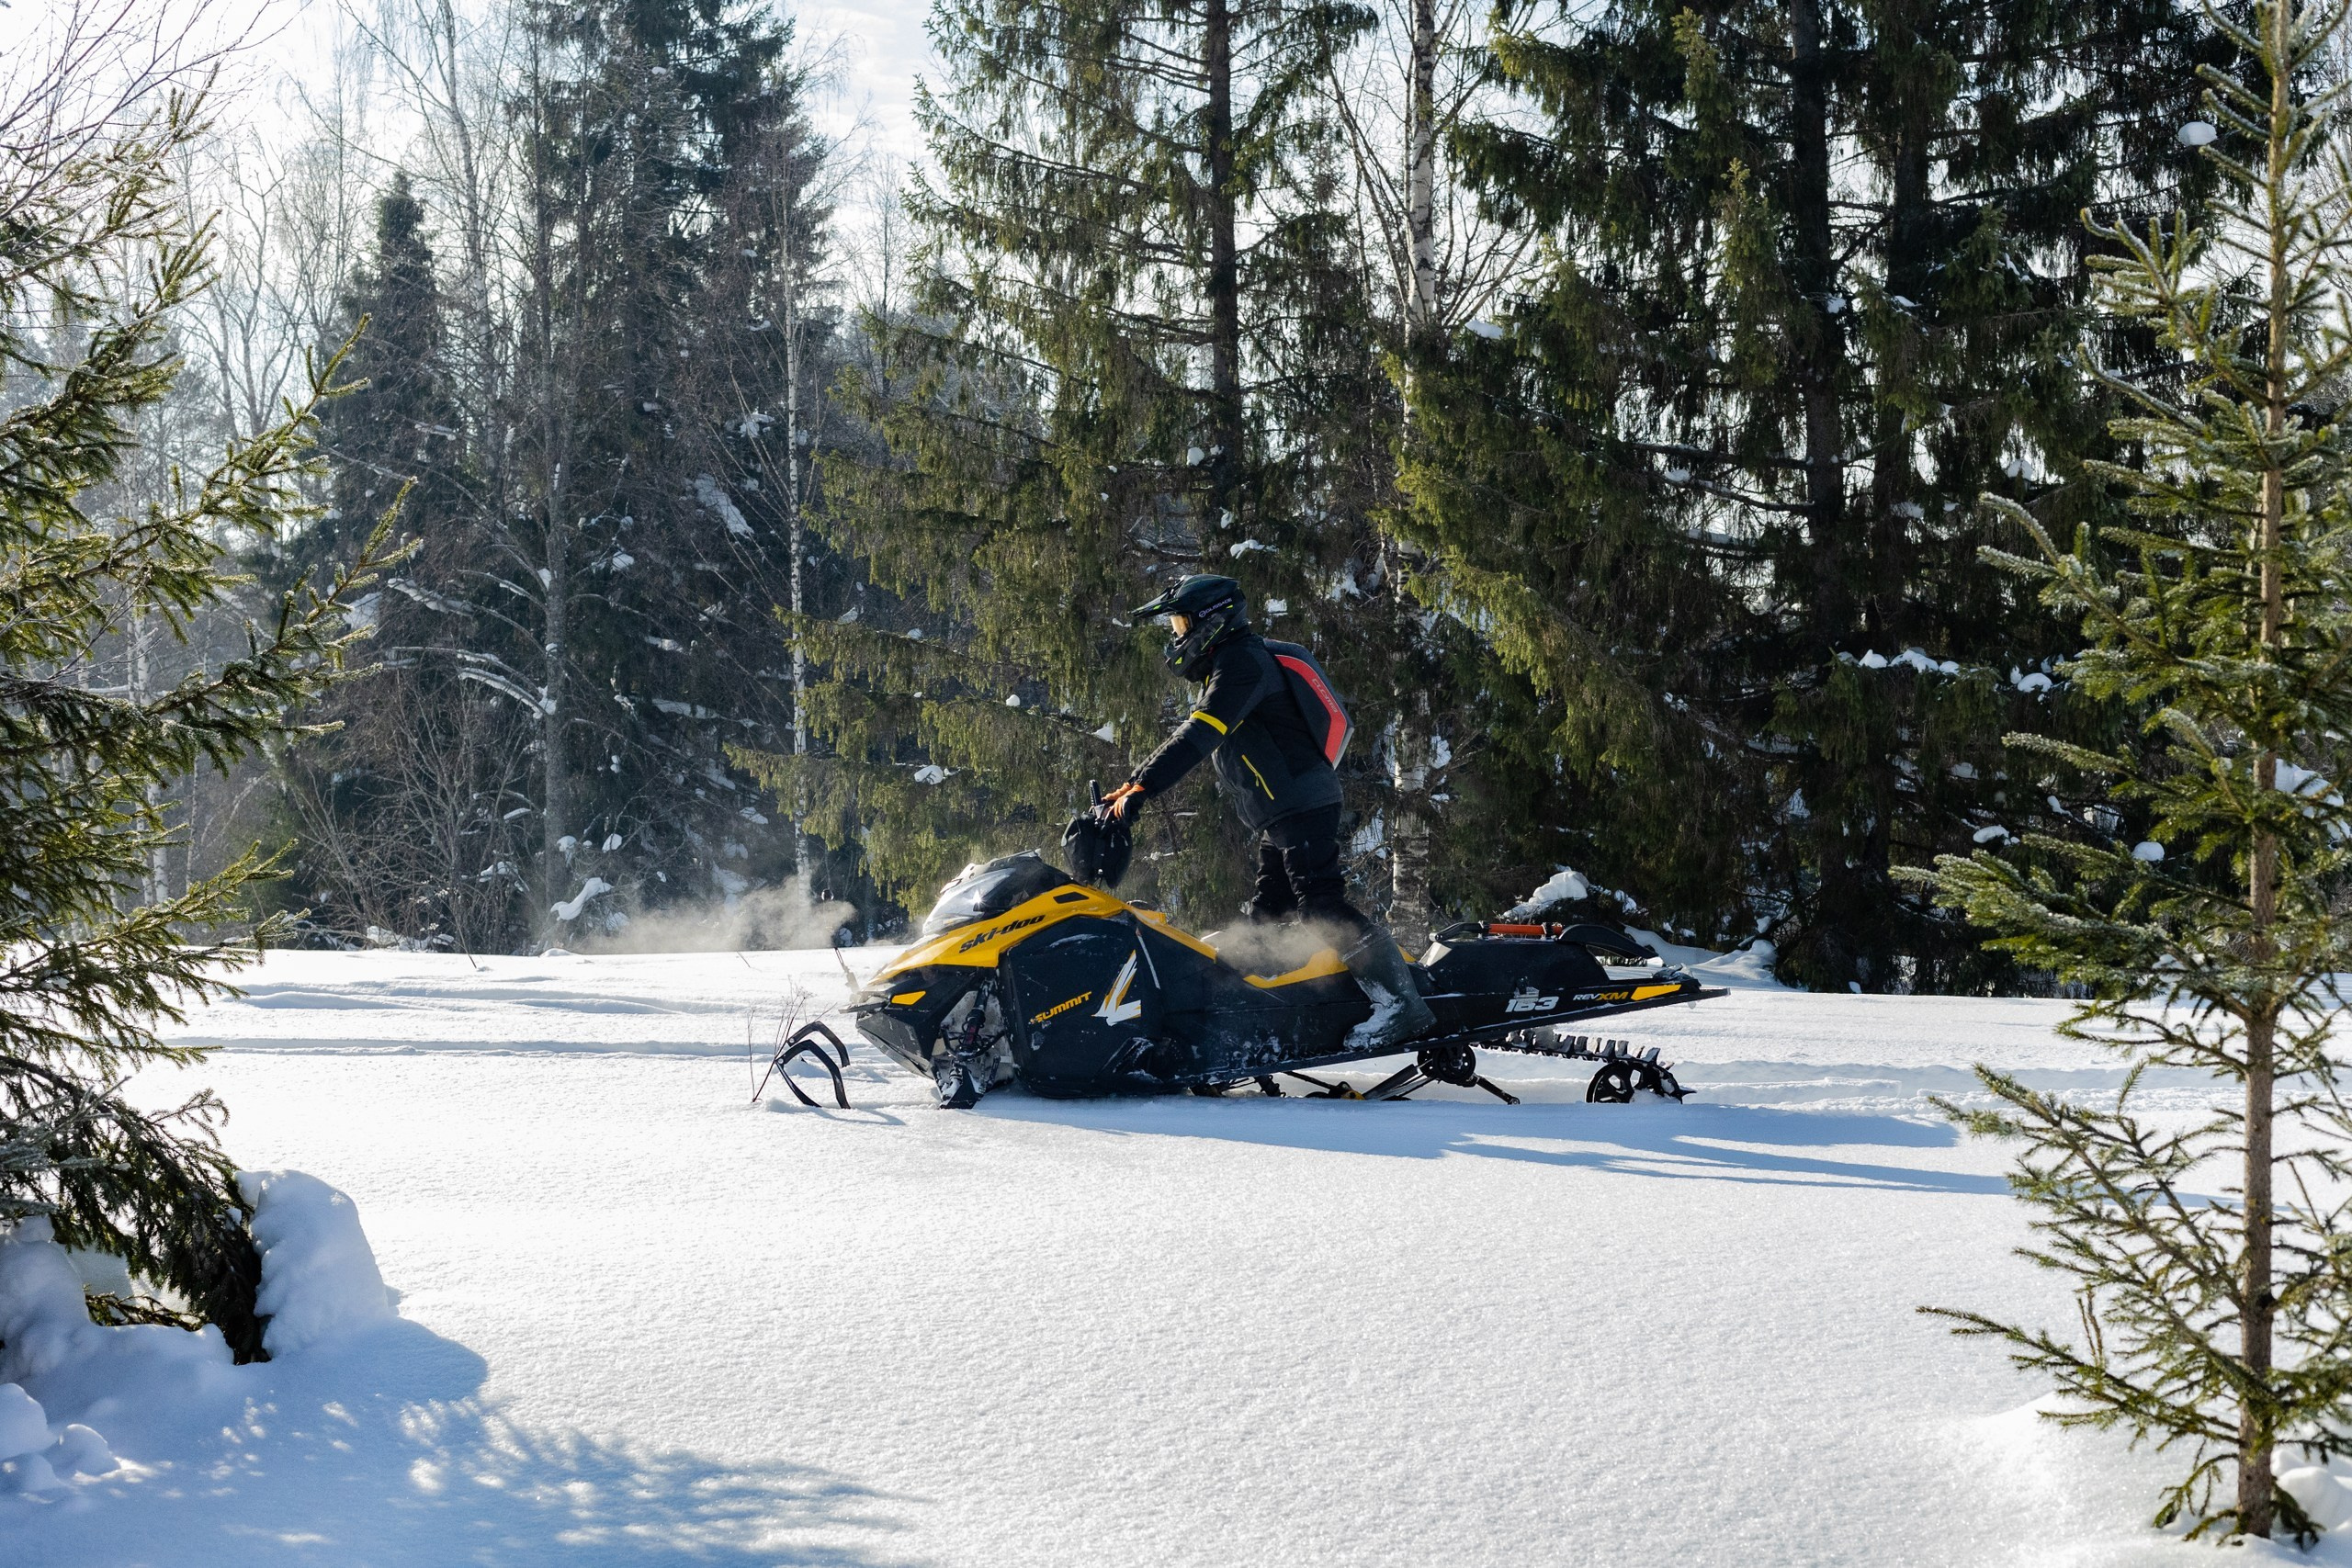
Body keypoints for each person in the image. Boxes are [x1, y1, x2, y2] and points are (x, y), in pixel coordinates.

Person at [1101, 574, 1436, 1053]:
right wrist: (1133, 784)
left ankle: (1403, 1006)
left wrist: (1142, 786)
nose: (1177, 636)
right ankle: (1256, 1013)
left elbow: (1201, 733)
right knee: (1267, 917)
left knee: (1322, 905)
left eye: (1180, 623)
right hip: (1283, 810)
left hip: (1302, 803)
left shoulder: (1242, 663)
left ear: (1211, 622)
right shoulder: (1231, 663)